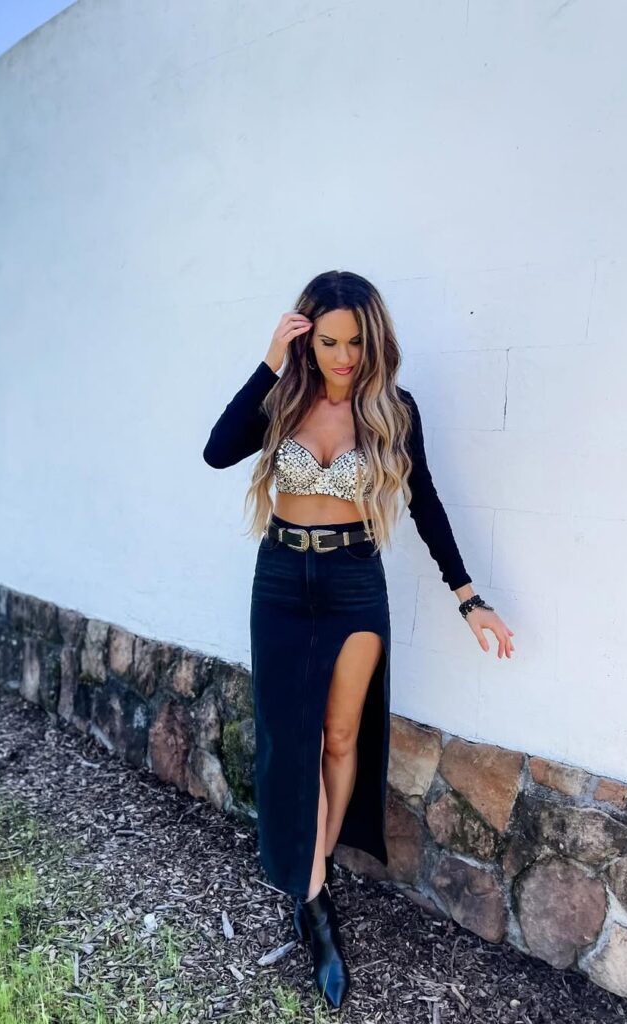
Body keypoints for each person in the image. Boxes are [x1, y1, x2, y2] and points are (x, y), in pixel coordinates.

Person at [203, 270, 515, 1008]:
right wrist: (268, 360)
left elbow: (426, 502)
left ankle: (312, 884)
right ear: (309, 338)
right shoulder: (281, 397)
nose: (344, 357)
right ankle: (313, 901)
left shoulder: (393, 410)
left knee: (340, 739)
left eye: (355, 342)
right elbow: (218, 451)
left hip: (351, 583)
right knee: (291, 740)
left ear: (374, 340)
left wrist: (469, 598)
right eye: (330, 341)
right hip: (281, 582)